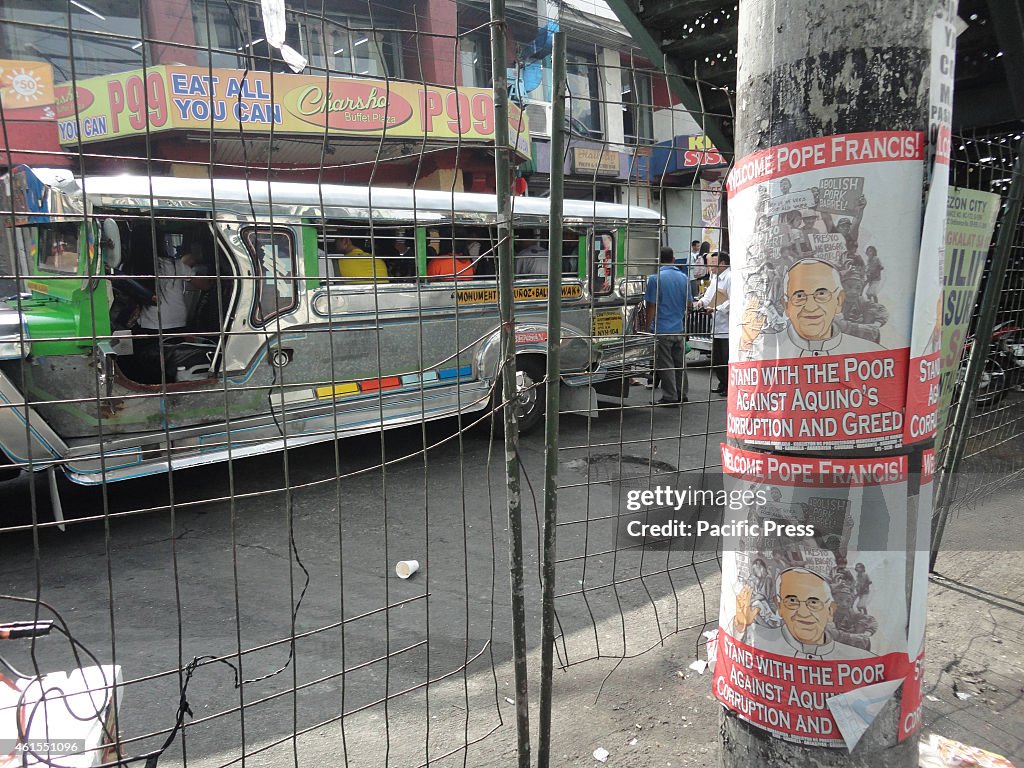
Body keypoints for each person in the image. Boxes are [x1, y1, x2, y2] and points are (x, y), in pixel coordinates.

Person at [732, 568, 872, 660]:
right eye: (792, 601)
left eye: (814, 602)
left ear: (830, 610)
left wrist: (864, 635)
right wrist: (741, 622)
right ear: (780, 606)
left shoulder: (854, 654)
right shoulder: (764, 641)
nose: (804, 613)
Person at [769, 258, 886, 359]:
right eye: (800, 296)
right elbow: (839, 324)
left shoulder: (860, 301)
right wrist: (860, 328)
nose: (853, 292)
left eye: (857, 288)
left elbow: (879, 310)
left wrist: (876, 324)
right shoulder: (830, 305)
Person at [644, 247, 692, 405]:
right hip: (679, 327)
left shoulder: (654, 279)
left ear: (659, 260)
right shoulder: (684, 278)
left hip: (662, 328)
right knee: (680, 363)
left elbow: (651, 306)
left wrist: (646, 327)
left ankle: (670, 396)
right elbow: (689, 304)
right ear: (673, 259)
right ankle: (682, 393)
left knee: (666, 364)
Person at [694, 251, 731, 396]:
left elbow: (732, 301)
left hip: (726, 326)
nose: (711, 266)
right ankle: (722, 383)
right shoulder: (715, 278)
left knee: (726, 358)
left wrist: (716, 308)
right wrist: (701, 302)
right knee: (717, 359)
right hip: (716, 325)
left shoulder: (730, 277)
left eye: (714, 263)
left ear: (723, 264)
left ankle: (729, 386)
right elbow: (709, 294)